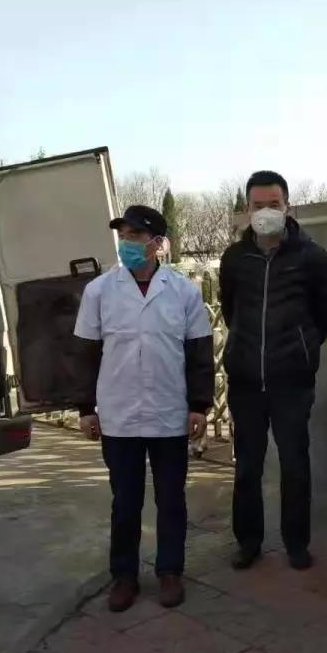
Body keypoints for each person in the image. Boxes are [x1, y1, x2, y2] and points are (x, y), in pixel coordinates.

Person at [73, 204, 214, 612]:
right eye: (123, 235)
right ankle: (124, 576)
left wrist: (199, 405)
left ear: (157, 243)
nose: (126, 243)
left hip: (169, 412)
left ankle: (170, 571)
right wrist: (85, 408)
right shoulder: (99, 291)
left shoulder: (183, 291)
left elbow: (199, 352)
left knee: (171, 498)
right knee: (125, 500)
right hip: (118, 415)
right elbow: (85, 355)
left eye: (135, 235)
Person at [219, 171, 327, 571]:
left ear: (288, 207)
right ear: (247, 209)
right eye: (258, 205)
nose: (266, 212)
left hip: (292, 381)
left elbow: (323, 314)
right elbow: (230, 310)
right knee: (247, 466)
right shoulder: (235, 259)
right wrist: (245, 349)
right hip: (246, 381)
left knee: (294, 464)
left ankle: (296, 543)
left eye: (274, 205)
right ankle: (248, 542)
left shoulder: (311, 256)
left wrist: (300, 349)